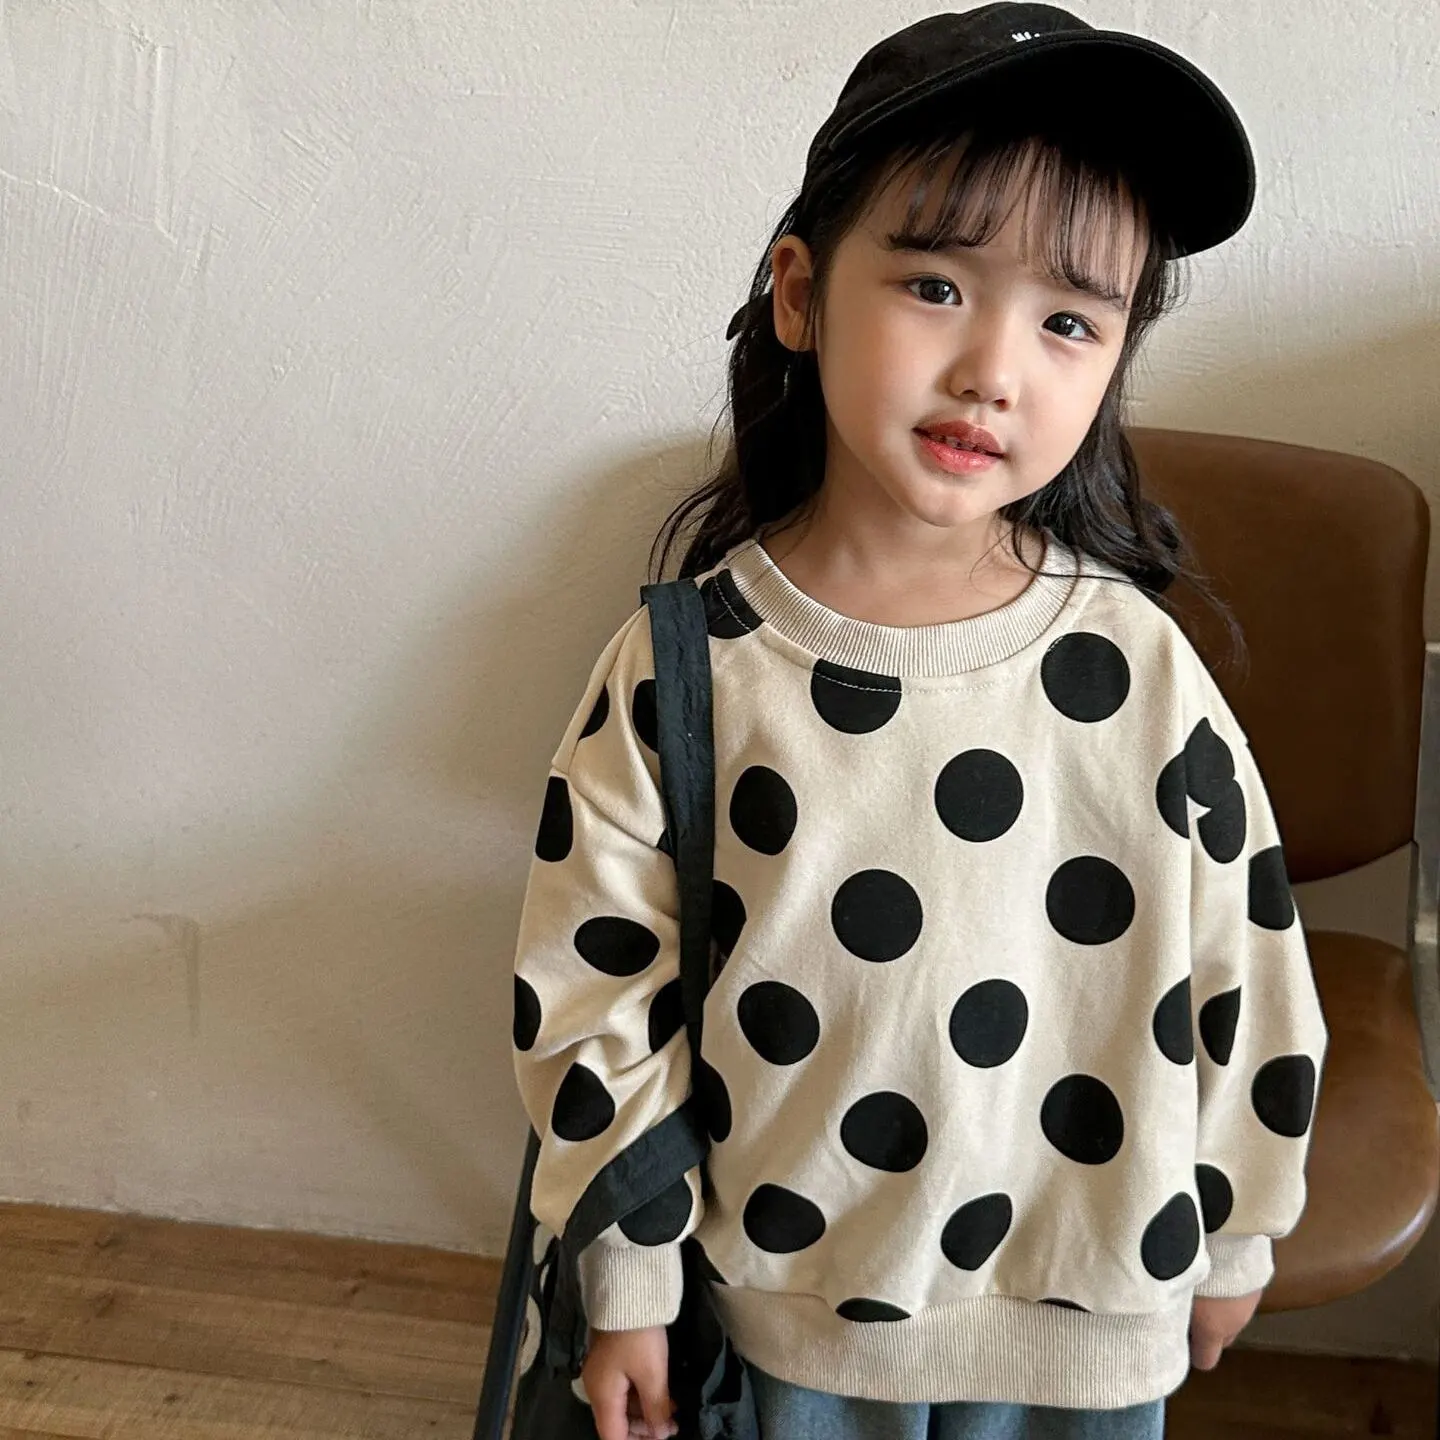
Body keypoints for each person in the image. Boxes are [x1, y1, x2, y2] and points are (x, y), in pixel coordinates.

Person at [509, 6, 1328, 1438]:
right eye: (937, 285)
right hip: (791, 1329)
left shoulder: (1140, 667)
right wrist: (628, 1279)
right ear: (800, 293)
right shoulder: (690, 666)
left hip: (1088, 1324)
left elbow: (1243, 963)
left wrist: (1241, 1230)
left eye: (1070, 319)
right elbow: (595, 988)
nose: (994, 370)